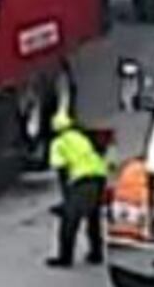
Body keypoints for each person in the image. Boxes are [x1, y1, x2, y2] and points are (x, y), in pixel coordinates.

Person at [45, 108, 113, 269]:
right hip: (99, 175)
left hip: (83, 180)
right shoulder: (81, 137)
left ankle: (64, 257)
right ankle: (96, 253)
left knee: (70, 219)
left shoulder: (58, 143)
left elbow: (61, 170)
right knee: (93, 216)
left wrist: (66, 199)